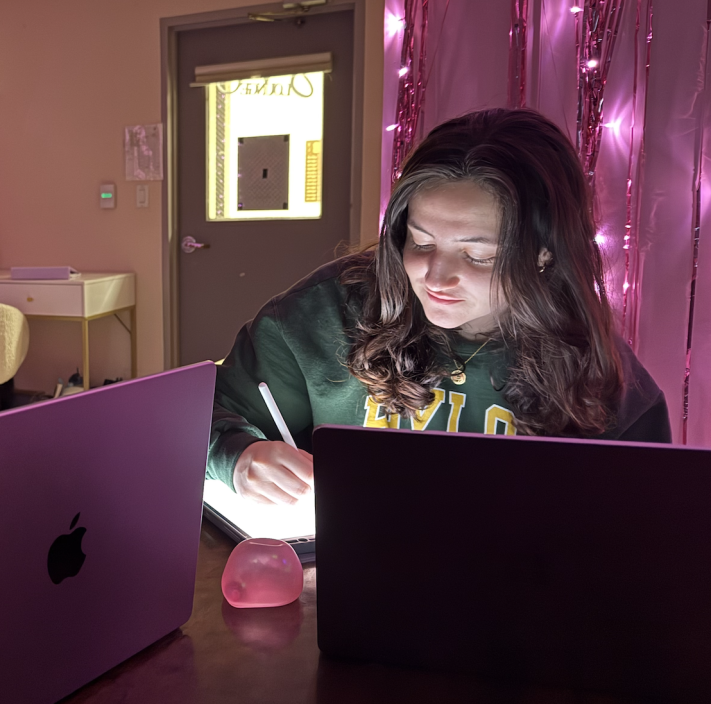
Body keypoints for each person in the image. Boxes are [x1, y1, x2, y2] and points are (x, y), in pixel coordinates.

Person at [210, 108, 671, 506]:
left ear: (545, 254)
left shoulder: (586, 355)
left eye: (477, 256)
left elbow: (650, 513)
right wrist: (238, 457)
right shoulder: (325, 312)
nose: (434, 278)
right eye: (420, 242)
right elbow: (197, 419)